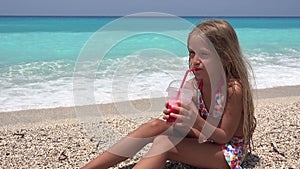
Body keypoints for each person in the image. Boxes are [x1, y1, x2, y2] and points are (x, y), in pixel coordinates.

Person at [81, 19, 256, 169]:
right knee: (155, 125)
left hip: (227, 152)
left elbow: (223, 136)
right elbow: (193, 125)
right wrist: (179, 116)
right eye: (192, 53)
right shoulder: (195, 85)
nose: (195, 60)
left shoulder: (231, 90)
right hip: (206, 140)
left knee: (164, 143)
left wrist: (195, 120)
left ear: (224, 57)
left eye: (204, 54)